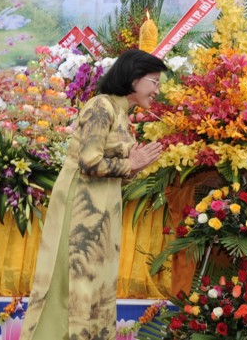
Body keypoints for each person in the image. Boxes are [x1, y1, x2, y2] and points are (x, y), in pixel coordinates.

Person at [20, 49, 166, 340]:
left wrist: (134, 166)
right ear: (134, 78)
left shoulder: (121, 113)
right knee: (72, 285)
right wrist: (131, 164)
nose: (157, 91)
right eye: (154, 82)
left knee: (96, 285)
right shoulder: (101, 107)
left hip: (101, 212)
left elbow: (114, 170)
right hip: (80, 209)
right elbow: (89, 162)